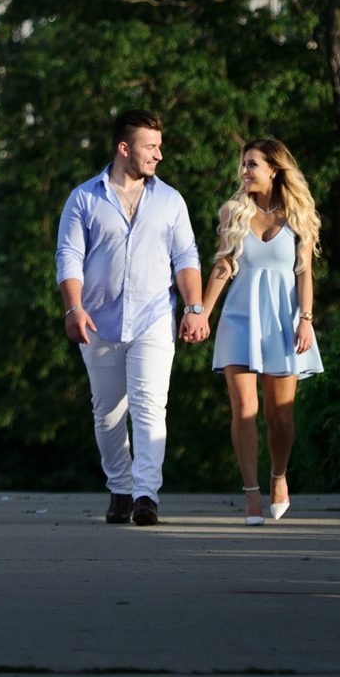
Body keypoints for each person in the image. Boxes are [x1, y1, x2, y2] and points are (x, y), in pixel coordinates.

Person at [56, 108, 209, 526]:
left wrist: (194, 307)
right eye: (151, 147)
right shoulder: (84, 198)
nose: (159, 155)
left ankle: (146, 496)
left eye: (159, 146)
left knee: (149, 407)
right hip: (99, 321)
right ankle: (120, 490)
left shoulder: (171, 201)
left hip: (154, 318)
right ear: (125, 148)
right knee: (107, 413)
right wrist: (74, 307)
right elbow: (68, 256)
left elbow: (186, 257)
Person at [199, 135, 323, 525]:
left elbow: (304, 274)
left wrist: (306, 319)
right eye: (243, 163)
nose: (244, 171)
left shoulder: (298, 214)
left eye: (252, 164)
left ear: (274, 169)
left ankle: (278, 476)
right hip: (240, 318)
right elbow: (223, 266)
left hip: (284, 320)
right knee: (245, 409)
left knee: (281, 417)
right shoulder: (233, 212)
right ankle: (251, 494)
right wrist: (200, 313)